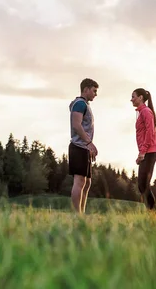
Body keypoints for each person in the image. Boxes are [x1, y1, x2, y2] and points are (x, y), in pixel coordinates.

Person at [68, 78, 99, 214]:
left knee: (86, 183)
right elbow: (76, 125)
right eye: (94, 91)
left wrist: (89, 147)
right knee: (80, 181)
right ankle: (76, 216)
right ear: (86, 89)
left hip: (84, 148)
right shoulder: (79, 104)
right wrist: (89, 143)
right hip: (78, 147)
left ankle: (81, 214)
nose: (95, 94)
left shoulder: (85, 105)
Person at [131, 88, 156, 210]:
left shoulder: (146, 112)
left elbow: (150, 133)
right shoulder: (142, 112)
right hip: (147, 151)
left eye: (133, 96)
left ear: (141, 97)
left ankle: (153, 214)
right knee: (142, 185)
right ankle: (151, 213)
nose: (131, 99)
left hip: (150, 151)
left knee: (143, 185)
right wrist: (141, 153)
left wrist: (142, 152)